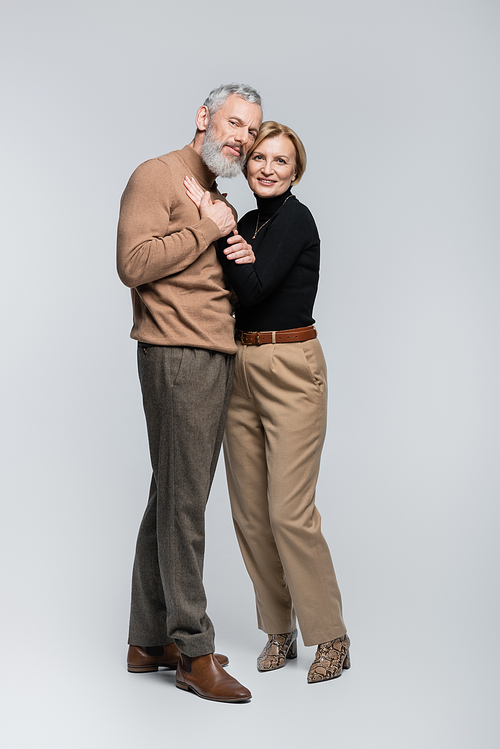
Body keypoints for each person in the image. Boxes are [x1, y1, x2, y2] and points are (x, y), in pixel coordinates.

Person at [185, 121, 350, 684]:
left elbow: (252, 291)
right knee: (251, 514)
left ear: (295, 171)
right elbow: (229, 286)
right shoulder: (251, 222)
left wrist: (223, 235)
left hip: (291, 368)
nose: (268, 168)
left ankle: (330, 636)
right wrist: (219, 224)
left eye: (281, 161)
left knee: (289, 513)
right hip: (241, 366)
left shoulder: (294, 220)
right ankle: (279, 630)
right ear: (247, 164)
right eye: (259, 158)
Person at [116, 83, 262, 703]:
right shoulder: (158, 175)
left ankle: (148, 640)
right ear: (204, 117)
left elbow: (206, 272)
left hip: (209, 354)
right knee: (184, 505)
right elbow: (134, 262)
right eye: (233, 123)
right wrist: (207, 225)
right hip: (178, 355)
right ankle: (193, 652)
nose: (242, 138)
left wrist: (234, 243)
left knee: (170, 493)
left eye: (251, 131)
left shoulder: (213, 192)